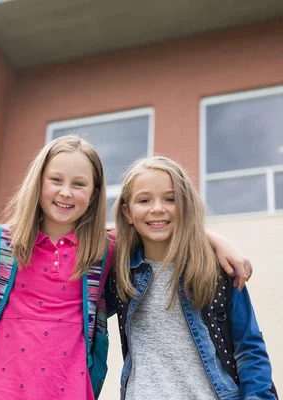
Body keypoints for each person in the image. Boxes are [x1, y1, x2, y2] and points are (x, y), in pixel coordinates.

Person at [0, 136, 255, 400]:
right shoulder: (7, 241)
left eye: (78, 184)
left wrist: (213, 239)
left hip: (69, 387)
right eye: (56, 180)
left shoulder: (103, 248)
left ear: (93, 194)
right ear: (38, 182)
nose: (66, 192)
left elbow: (154, 225)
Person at [111, 156, 275, 399]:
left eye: (170, 199)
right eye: (144, 200)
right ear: (127, 212)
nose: (157, 208)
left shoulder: (218, 270)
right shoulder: (119, 272)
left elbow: (249, 351)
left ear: (186, 205)